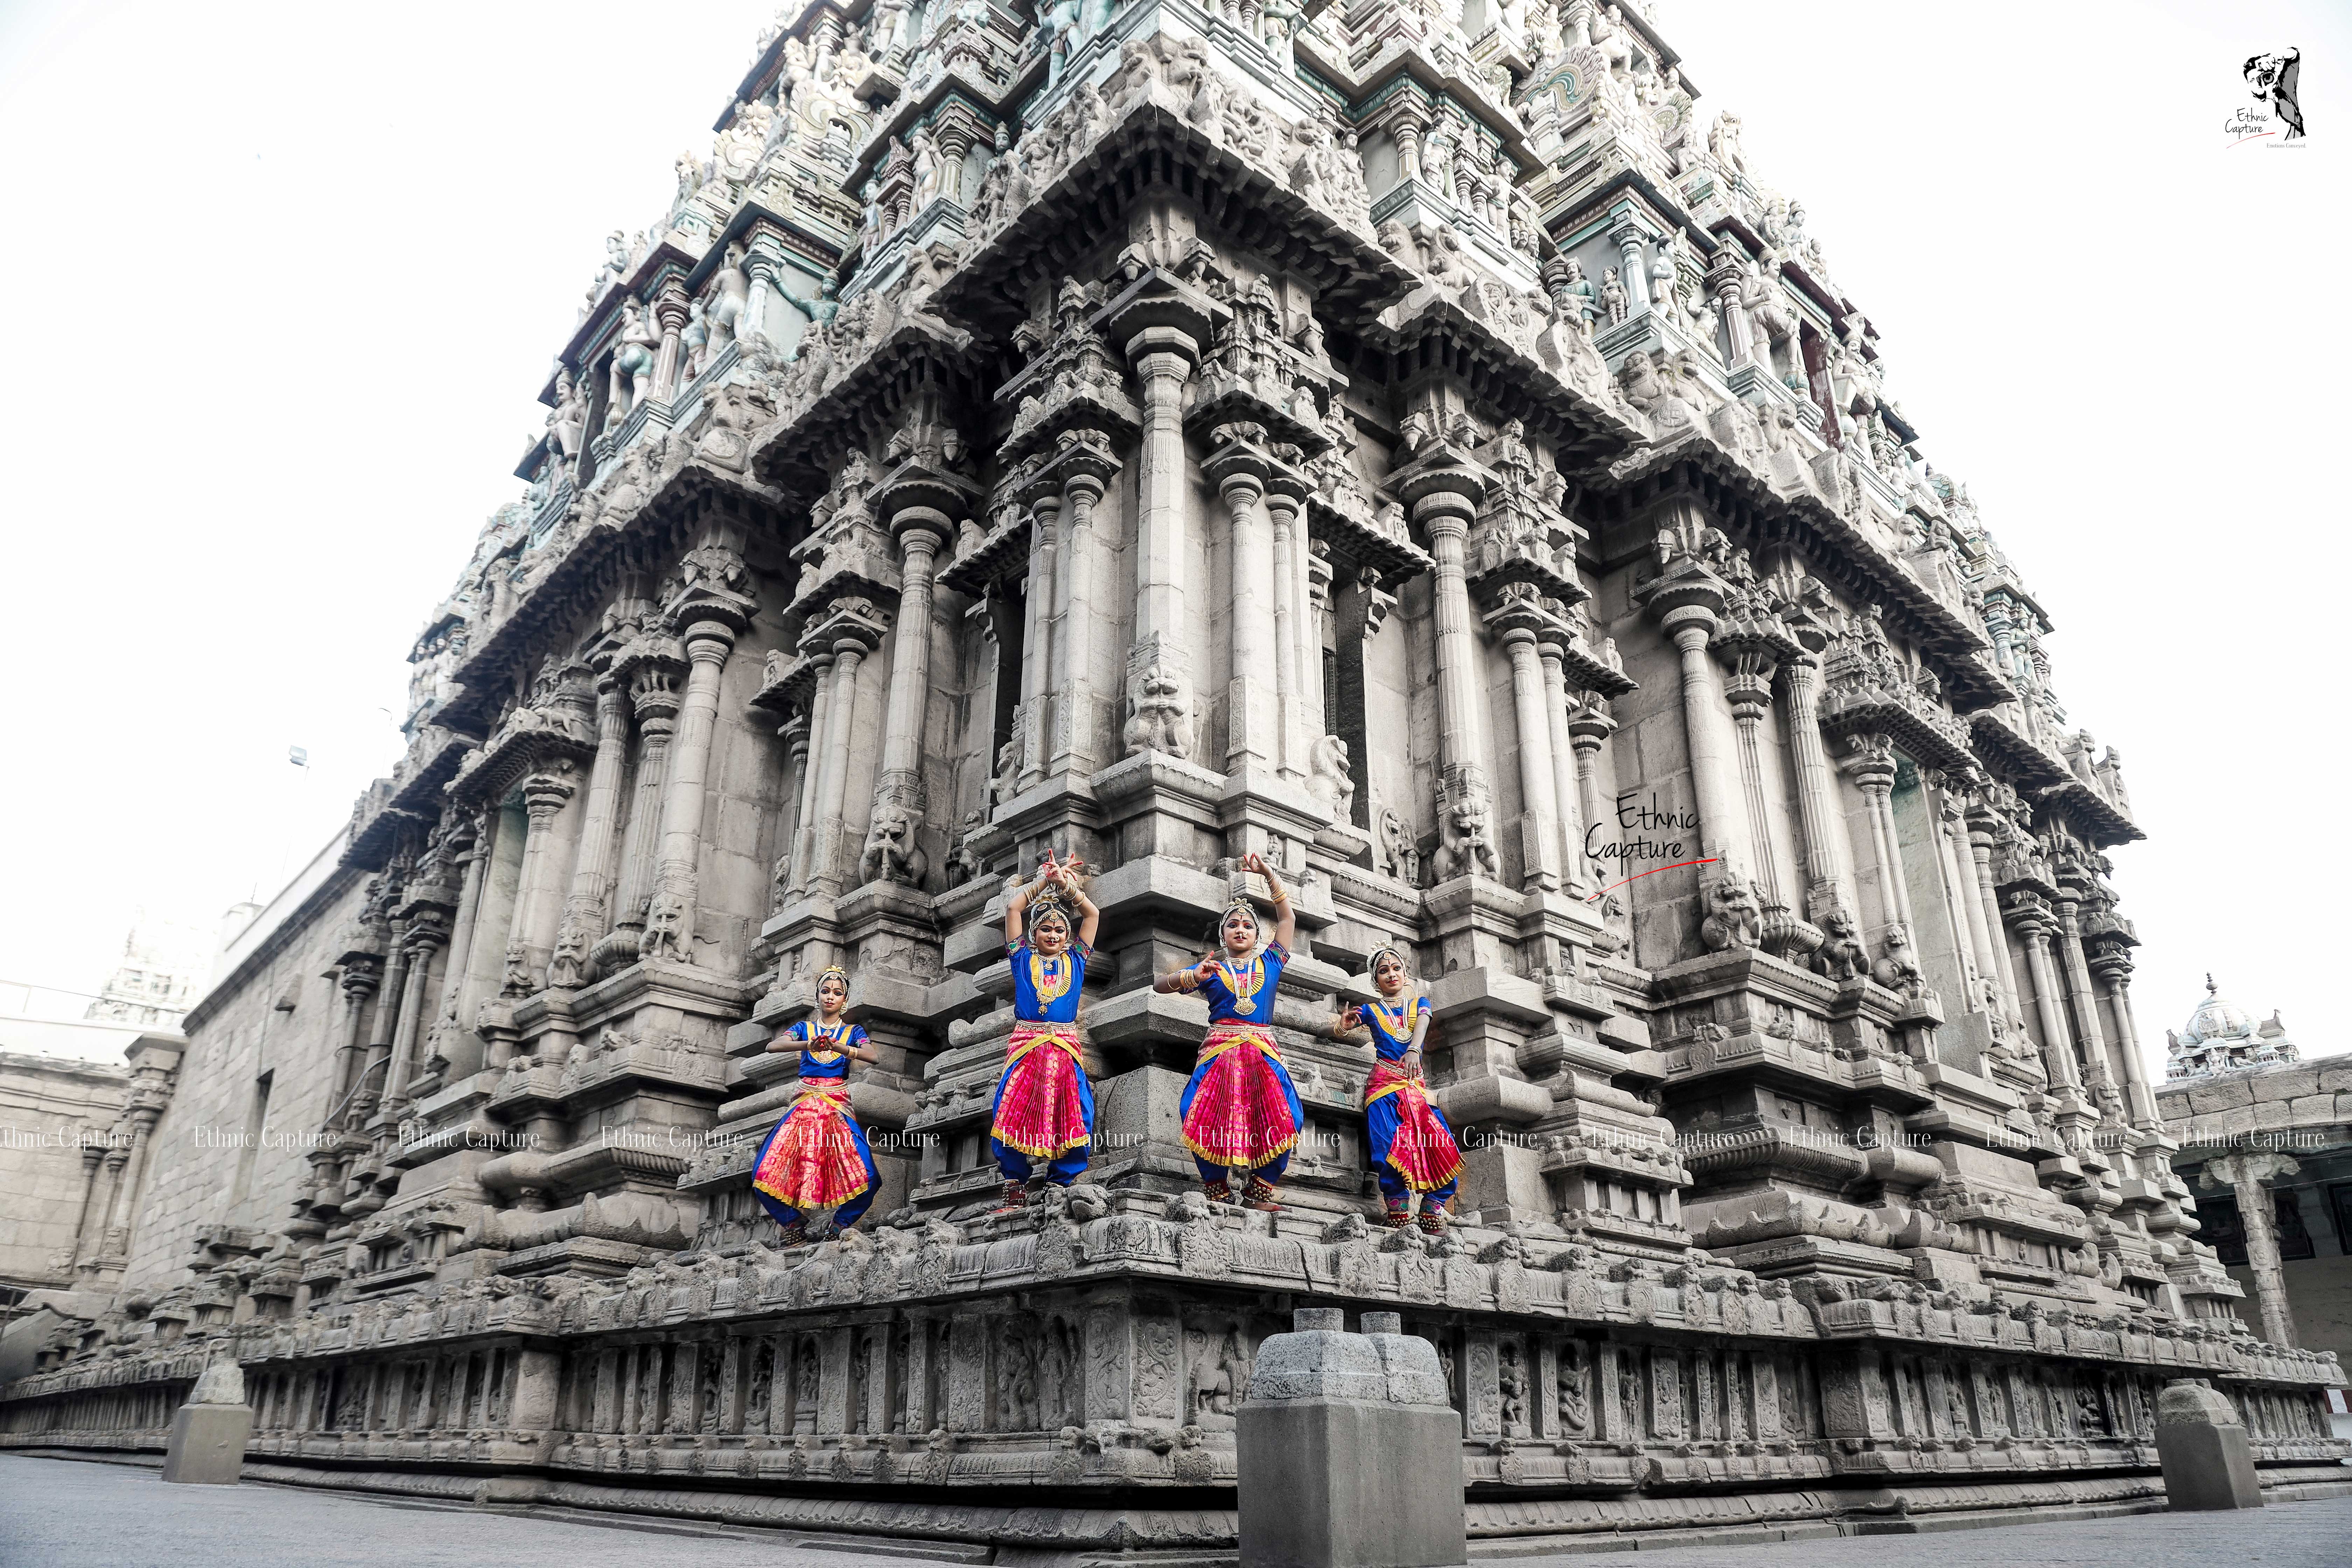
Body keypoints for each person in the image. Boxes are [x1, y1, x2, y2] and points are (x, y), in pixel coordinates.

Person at [1157, 851, 1304, 1212]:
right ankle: (1217, 1188)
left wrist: (1269, 876)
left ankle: (1259, 1190)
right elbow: (1160, 985)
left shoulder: (1271, 962)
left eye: (1248, 926)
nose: (1241, 929)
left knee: (1288, 1115)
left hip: (1263, 1052)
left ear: (1257, 935)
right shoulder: (1211, 969)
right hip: (1220, 1051)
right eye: (1233, 925)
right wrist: (1190, 976)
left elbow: (1288, 918)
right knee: (1198, 1111)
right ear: (1223, 935)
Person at [990, 850, 1100, 1211]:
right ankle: (1014, 1187)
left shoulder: (1076, 959)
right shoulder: (1022, 957)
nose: (1053, 934)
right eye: (1045, 929)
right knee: (1010, 1110)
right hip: (1027, 1045)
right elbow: (1013, 909)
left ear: (1068, 936)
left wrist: (1067, 889)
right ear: (1033, 933)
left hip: (1064, 1048)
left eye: (1059, 930)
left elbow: (1092, 915)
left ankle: (1060, 1184)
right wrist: (1043, 883)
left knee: (1075, 1111)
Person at [1330, 945, 1462, 1234]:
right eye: (1383, 971)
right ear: (1375, 981)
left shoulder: (1420, 1004)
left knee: (1443, 1148)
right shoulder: (1371, 1010)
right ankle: (1398, 1212)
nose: (1391, 974)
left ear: (1406, 973)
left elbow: (1422, 1027)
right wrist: (1341, 1027)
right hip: (1383, 1089)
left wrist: (1415, 1050)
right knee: (1388, 1151)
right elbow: (1323, 1032)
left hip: (1416, 1091)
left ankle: (1431, 1210)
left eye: (1396, 968)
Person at [750, 965, 881, 1245]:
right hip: (803, 1106)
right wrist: (808, 1045)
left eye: (837, 993)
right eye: (825, 991)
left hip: (837, 1107)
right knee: (762, 1172)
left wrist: (840, 1048)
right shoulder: (804, 1029)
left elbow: (873, 1057)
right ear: (817, 996)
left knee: (870, 1177)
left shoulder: (853, 1031)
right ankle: (793, 1221)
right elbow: (773, 1047)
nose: (830, 997)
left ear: (845, 1000)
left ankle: (839, 1225)